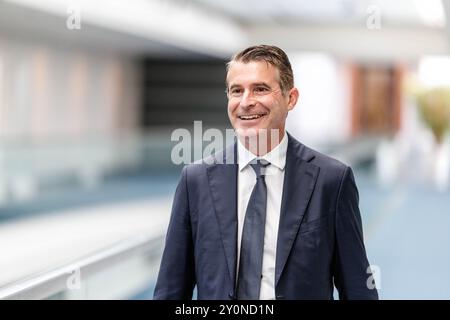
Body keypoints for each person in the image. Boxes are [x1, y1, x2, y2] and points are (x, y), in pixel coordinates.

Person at [154, 45, 378, 300]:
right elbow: (170, 291)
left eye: (260, 89)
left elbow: (358, 289)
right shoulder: (195, 181)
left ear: (290, 98)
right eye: (236, 91)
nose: (246, 102)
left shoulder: (332, 181)